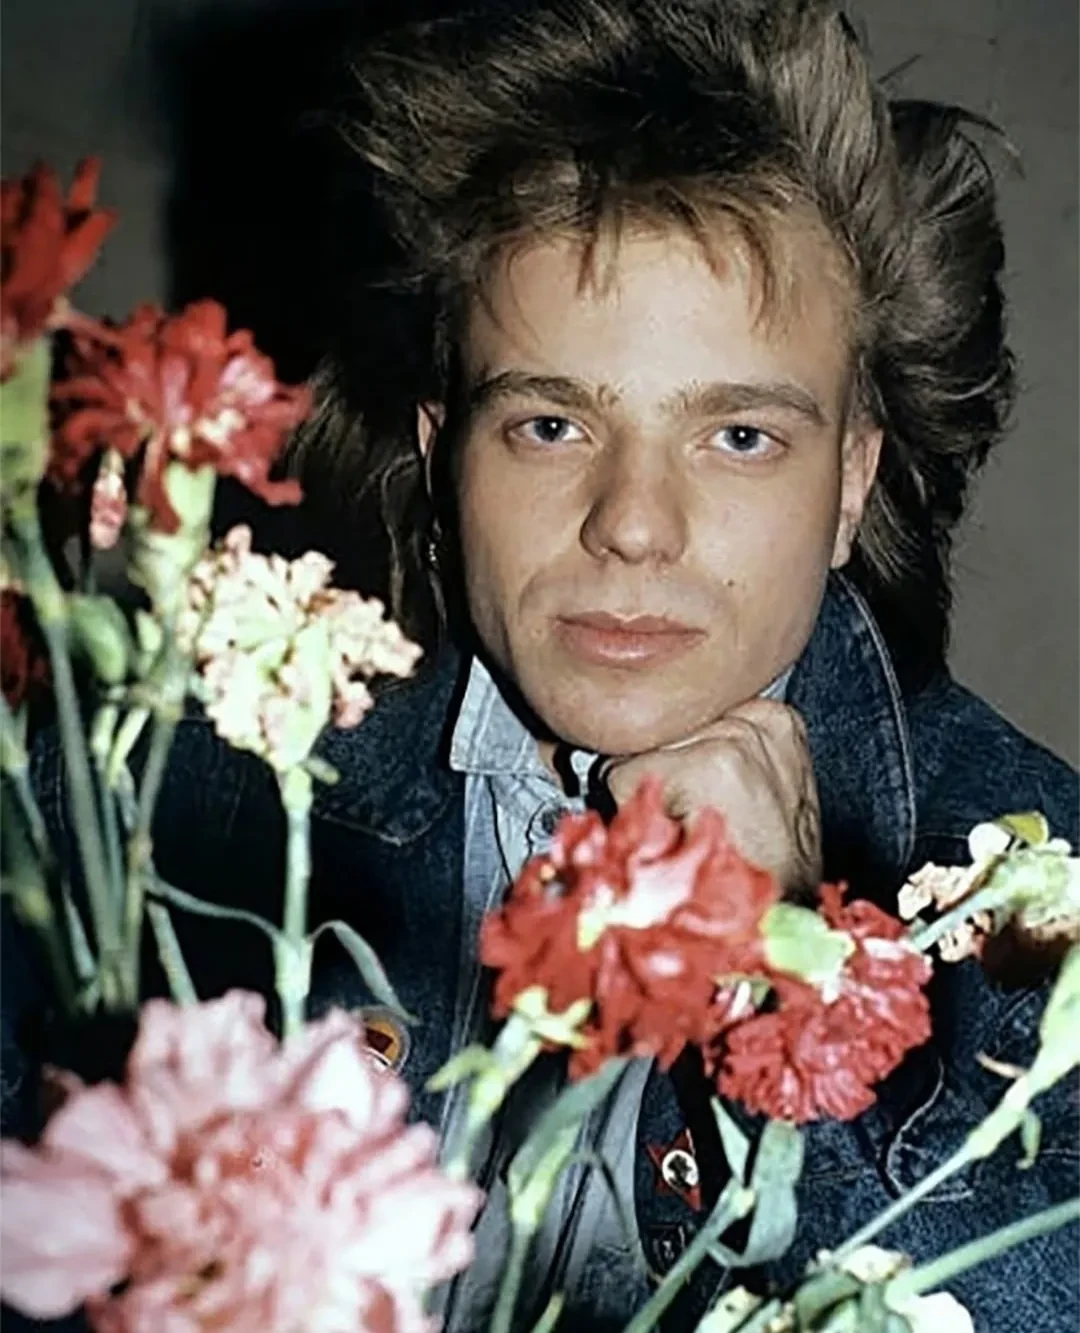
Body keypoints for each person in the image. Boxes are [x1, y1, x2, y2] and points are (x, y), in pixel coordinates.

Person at [5, 2, 1077, 1330]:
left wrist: (791, 973)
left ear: (852, 480)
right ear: (445, 450)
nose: (633, 524)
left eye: (740, 436)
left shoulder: (1040, 900)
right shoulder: (166, 781)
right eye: (553, 424)